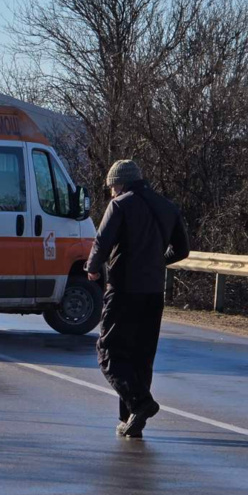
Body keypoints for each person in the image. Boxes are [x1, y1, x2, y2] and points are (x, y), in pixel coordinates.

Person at [85, 160, 190, 438]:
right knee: (141, 356)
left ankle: (141, 404)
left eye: (111, 187)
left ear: (120, 183)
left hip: (123, 290)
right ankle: (132, 418)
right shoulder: (167, 207)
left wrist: (92, 269)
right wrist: (157, 262)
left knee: (108, 351)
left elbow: (102, 241)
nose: (110, 193)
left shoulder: (120, 205)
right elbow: (182, 250)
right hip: (153, 292)